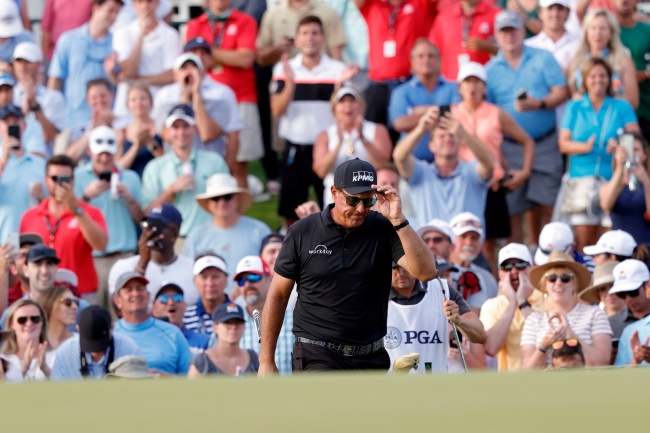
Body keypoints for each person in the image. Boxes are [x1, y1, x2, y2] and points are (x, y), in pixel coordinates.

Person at [258, 158, 437, 374]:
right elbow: (278, 294)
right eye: (353, 201)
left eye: (368, 201)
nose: (360, 209)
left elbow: (426, 272)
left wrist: (398, 219)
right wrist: (266, 361)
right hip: (318, 353)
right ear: (334, 192)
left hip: (371, 356)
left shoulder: (384, 228)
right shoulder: (302, 232)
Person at [486, 11, 568, 247]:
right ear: (496, 36)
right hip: (510, 147)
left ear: (523, 31)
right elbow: (489, 113)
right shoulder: (490, 70)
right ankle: (519, 262)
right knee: (513, 210)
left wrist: (539, 103)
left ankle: (552, 256)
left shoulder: (544, 57)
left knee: (549, 204)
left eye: (513, 29)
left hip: (545, 142)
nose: (509, 35)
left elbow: (561, 92)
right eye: (504, 31)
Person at [271, 15, 354, 225]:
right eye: (305, 33)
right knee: (292, 209)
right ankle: (293, 252)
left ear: (323, 38)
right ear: (297, 39)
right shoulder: (284, 68)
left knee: (334, 206)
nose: (310, 38)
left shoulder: (337, 70)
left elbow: (345, 110)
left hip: (327, 147)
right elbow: (277, 110)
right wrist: (291, 83)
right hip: (295, 147)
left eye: (315, 33)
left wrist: (340, 85)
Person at [452, 62, 535, 268]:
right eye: (467, 82)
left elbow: (527, 141)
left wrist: (524, 172)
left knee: (491, 246)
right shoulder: (452, 114)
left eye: (477, 82)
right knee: (464, 244)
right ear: (460, 87)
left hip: (492, 185)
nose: (472, 87)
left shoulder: (495, 113)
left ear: (484, 87)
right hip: (463, 186)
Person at [559, 57, 640, 251]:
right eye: (593, 75)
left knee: (612, 244)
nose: (598, 80)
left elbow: (636, 137)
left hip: (613, 179)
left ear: (610, 79)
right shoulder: (574, 107)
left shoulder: (622, 106)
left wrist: (620, 143)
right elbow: (563, 144)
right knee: (584, 243)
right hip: (581, 179)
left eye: (603, 75)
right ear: (585, 80)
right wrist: (585, 147)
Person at [185, 0, 262, 188]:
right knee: (207, 155)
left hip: (241, 96)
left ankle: (240, 212)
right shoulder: (195, 24)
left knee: (240, 162)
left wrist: (208, 52)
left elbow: (246, 59)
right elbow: (191, 60)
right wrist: (229, 55)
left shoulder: (245, 20)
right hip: (207, 98)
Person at [20, 155, 108, 301]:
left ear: (73, 180)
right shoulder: (30, 216)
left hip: (79, 294)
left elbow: (101, 245)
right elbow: (23, 257)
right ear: (46, 180)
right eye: (55, 179)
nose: (60, 184)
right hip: (42, 293)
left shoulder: (90, 213)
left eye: (65, 179)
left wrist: (77, 210)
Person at [141, 104, 230, 246]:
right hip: (175, 241)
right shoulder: (155, 168)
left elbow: (229, 199)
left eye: (186, 126)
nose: (181, 132)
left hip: (213, 237)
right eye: (176, 127)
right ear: (168, 131)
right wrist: (171, 189)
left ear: (195, 129)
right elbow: (148, 213)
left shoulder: (214, 161)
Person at [74, 125, 142, 308]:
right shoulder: (79, 177)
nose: (104, 159)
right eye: (99, 154)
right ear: (89, 151)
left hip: (124, 255)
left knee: (124, 311)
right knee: (94, 312)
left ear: (116, 152)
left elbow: (141, 220)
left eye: (108, 154)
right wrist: (86, 197)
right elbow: (69, 217)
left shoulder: (130, 178)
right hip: (92, 258)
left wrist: (129, 198)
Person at [393, 107, 494, 225]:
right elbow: (399, 157)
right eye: (441, 136)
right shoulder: (421, 172)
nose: (447, 139)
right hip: (429, 242)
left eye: (452, 135)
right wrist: (421, 129)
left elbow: (489, 163)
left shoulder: (471, 172)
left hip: (467, 241)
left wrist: (463, 134)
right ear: (431, 145)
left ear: (460, 142)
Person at [152, 49, 242, 180]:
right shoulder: (164, 97)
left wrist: (196, 95)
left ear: (202, 74)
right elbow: (168, 135)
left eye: (194, 67)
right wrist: (184, 96)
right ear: (176, 75)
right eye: (184, 68)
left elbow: (207, 134)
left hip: (210, 169)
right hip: (175, 170)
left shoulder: (219, 95)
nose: (189, 72)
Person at [386, 261, 486, 374]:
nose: (400, 272)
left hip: (437, 387)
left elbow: (480, 335)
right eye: (394, 267)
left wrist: (459, 320)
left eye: (404, 266)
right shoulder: (372, 296)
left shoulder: (442, 289)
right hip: (393, 388)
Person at [521, 250, 612, 369]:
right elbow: (527, 371)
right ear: (545, 285)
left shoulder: (595, 314)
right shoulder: (533, 320)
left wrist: (571, 335)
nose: (558, 283)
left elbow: (602, 363)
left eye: (565, 278)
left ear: (575, 284)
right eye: (552, 278)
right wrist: (544, 346)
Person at [354, 0, 437, 130]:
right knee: (374, 136)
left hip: (408, 83)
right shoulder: (374, 5)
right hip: (378, 85)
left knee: (409, 134)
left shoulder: (419, 4)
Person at [184, 174, 271, 290]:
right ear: (209, 203)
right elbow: (190, 275)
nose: (222, 202)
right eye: (215, 198)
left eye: (227, 196)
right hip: (212, 302)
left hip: (252, 299)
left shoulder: (259, 230)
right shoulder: (196, 235)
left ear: (237, 199)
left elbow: (272, 269)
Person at [47, 0, 123, 130]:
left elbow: (122, 86)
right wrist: (52, 116)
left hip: (107, 123)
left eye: (117, 12)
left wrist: (112, 74)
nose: (114, 17)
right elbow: (55, 80)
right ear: (96, 7)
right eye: (110, 10)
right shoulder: (68, 39)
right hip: (72, 122)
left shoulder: (118, 43)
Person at [313, 86, 392, 206]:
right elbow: (320, 171)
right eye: (342, 101)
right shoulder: (326, 135)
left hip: (370, 199)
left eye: (352, 101)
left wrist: (363, 138)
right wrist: (338, 144)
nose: (347, 106)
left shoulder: (377, 130)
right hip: (335, 200)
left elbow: (382, 164)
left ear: (360, 105)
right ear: (334, 109)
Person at [107, 203, 200, 305]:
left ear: (175, 232)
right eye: (148, 225)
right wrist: (142, 263)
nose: (151, 231)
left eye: (158, 226)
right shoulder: (124, 266)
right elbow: (120, 309)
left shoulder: (194, 268)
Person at [388, 39, 461, 162]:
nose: (426, 60)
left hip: (450, 162)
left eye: (431, 56)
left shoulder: (454, 87)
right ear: (412, 61)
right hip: (413, 163)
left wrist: (420, 112)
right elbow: (399, 123)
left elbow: (459, 115)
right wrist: (443, 110)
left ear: (439, 60)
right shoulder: (401, 92)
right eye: (420, 56)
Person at [110, 0, 180, 126]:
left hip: (158, 110)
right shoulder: (122, 34)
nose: (145, 6)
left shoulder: (171, 35)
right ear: (134, 5)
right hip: (126, 112)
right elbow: (129, 71)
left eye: (149, 2)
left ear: (157, 3)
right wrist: (141, 36)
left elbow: (171, 75)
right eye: (140, 2)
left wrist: (136, 81)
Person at [479, 243, 545, 371]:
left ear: (531, 269)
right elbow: (491, 348)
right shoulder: (492, 305)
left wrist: (522, 301)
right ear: (500, 274)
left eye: (520, 266)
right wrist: (512, 303)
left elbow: (547, 338)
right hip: (510, 383)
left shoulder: (547, 298)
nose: (514, 272)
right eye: (507, 267)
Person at [112, 271, 192, 374]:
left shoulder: (173, 333)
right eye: (129, 290)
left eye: (140, 288)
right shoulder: (110, 334)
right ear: (118, 300)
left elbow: (191, 379)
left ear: (148, 295)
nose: (136, 294)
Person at [234, 255, 294, 375]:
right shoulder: (231, 323)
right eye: (241, 280)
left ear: (270, 279)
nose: (247, 284)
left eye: (253, 277)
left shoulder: (293, 319)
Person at [568, 9, 639, 109]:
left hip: (614, 118)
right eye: (593, 28)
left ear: (611, 32)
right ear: (586, 32)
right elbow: (573, 95)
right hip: (586, 118)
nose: (598, 33)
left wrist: (603, 102)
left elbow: (633, 101)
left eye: (603, 29)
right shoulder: (576, 61)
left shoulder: (623, 61)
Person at [51, 305, 140, 380]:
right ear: (78, 329)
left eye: (101, 342)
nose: (95, 352)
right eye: (89, 342)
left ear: (112, 328)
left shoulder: (129, 350)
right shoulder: (65, 353)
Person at [0, 104, 46, 243]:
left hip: (33, 237)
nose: (11, 125)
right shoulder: (2, 162)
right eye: (7, 122)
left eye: (16, 121)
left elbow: (53, 206)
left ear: (24, 126)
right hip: (5, 237)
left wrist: (42, 198)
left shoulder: (40, 164)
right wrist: (4, 159)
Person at [256, 0, 347, 66]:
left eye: (314, 33)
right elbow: (260, 59)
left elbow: (336, 55)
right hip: (285, 81)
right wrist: (277, 50)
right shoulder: (273, 14)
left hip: (322, 79)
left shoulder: (327, 12)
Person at [428, 0, 500, 82]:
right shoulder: (443, 17)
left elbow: (509, 54)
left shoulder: (496, 14)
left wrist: (488, 47)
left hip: (485, 84)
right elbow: (433, 51)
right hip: (451, 83)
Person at [12, 42, 66, 148]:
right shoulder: (6, 94)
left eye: (27, 61)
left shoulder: (54, 97)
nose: (23, 66)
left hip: (43, 159)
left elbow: (50, 135)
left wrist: (35, 104)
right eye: (18, 61)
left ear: (39, 64)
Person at [600, 132, 650, 243]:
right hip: (619, 249)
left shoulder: (648, 184)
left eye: (635, 149)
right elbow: (605, 205)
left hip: (645, 248)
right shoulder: (611, 184)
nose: (630, 153)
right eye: (626, 149)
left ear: (645, 154)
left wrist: (646, 182)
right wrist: (619, 168)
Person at [188, 302, 259, 376]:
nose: (233, 327)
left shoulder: (255, 359)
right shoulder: (202, 362)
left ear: (244, 327)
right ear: (215, 327)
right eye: (227, 322)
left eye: (238, 322)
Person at [615, 0, 650, 141]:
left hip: (646, 109)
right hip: (617, 113)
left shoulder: (646, 30)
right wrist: (644, 74)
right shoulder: (604, 30)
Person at [448, 212, 498, 309]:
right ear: (451, 240)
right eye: (463, 236)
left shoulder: (487, 278)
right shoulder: (439, 273)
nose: (469, 242)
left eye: (474, 238)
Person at [115, 83, 163, 178]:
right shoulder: (122, 133)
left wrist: (150, 142)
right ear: (127, 105)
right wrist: (137, 146)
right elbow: (118, 168)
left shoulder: (161, 127)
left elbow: (168, 161)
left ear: (151, 103)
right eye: (133, 100)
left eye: (143, 98)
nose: (138, 103)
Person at [0, 299, 53, 382]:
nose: (29, 323)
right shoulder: (3, 360)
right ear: (11, 324)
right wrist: (24, 368)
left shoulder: (56, 356)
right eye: (22, 320)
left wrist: (45, 368)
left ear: (42, 322)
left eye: (35, 319)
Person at [65, 78, 116, 163]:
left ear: (111, 95)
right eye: (94, 97)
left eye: (103, 96)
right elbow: (69, 158)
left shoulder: (123, 124)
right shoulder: (80, 128)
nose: (99, 100)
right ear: (88, 100)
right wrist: (91, 130)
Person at [150, 283, 210, 354]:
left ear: (185, 306)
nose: (171, 302)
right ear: (153, 309)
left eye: (177, 298)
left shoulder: (205, 342)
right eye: (164, 299)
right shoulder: (146, 341)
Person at [612, 259, 650, 365]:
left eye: (633, 292)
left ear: (648, 286)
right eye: (622, 294)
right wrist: (636, 360)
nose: (628, 299)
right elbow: (620, 378)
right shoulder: (628, 332)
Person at [183, 254, 231, 335]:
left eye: (215, 277)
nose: (210, 283)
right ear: (195, 282)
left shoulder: (242, 315)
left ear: (226, 281)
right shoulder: (184, 318)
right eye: (204, 277)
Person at [4, 233, 43, 307]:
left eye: (34, 254)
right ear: (13, 268)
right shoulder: (8, 299)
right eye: (23, 255)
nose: (29, 259)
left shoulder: (60, 291)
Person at [41, 285, 78, 350]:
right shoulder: (38, 343)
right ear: (51, 304)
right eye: (68, 302)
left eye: (76, 302)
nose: (75, 307)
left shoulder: (79, 343)